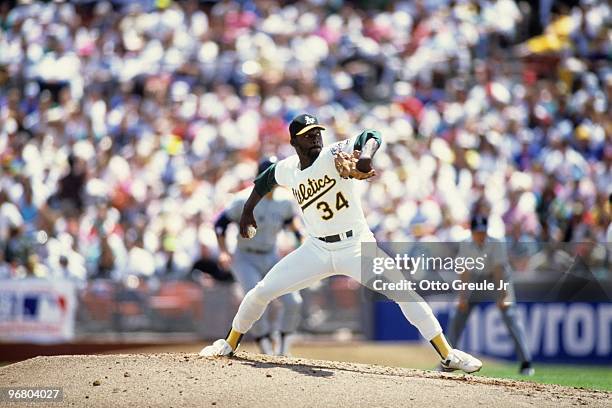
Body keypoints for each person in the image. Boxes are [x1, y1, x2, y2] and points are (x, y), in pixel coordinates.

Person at [199, 113, 482, 373]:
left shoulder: (333, 153)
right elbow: (263, 181)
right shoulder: (288, 169)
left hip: (356, 246)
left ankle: (448, 355)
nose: (316, 138)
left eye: (318, 132)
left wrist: (366, 157)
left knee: (404, 293)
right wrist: (248, 212)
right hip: (316, 249)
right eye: (309, 135)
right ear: (293, 141)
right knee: (261, 292)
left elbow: (371, 134)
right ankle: (229, 343)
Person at [213, 158, 303, 355]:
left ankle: (283, 349)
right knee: (255, 299)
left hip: (271, 254)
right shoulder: (242, 199)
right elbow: (220, 223)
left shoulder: (285, 200)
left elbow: (290, 222)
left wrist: (299, 236)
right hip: (245, 257)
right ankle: (265, 348)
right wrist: (223, 251)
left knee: (293, 301)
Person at [447, 214, 534, 376]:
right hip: (475, 279)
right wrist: (462, 297)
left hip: (497, 280)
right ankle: (448, 360)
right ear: (471, 232)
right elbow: (464, 272)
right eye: (477, 232)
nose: (480, 235)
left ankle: (526, 362)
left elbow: (498, 270)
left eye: (483, 232)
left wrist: (503, 296)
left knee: (510, 315)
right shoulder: (466, 244)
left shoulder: (497, 242)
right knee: (457, 315)